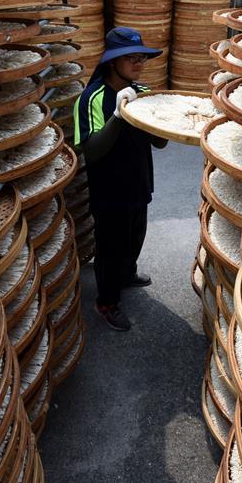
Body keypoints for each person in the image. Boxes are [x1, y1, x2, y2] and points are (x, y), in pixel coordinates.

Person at [72, 27, 168, 331]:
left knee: (135, 235)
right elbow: (92, 150)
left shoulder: (142, 92)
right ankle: (107, 302)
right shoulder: (92, 99)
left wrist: (159, 115)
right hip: (110, 190)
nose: (139, 63)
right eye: (131, 58)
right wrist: (118, 114)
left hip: (139, 181)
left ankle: (127, 274)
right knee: (111, 246)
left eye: (141, 58)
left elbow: (160, 143)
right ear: (112, 61)